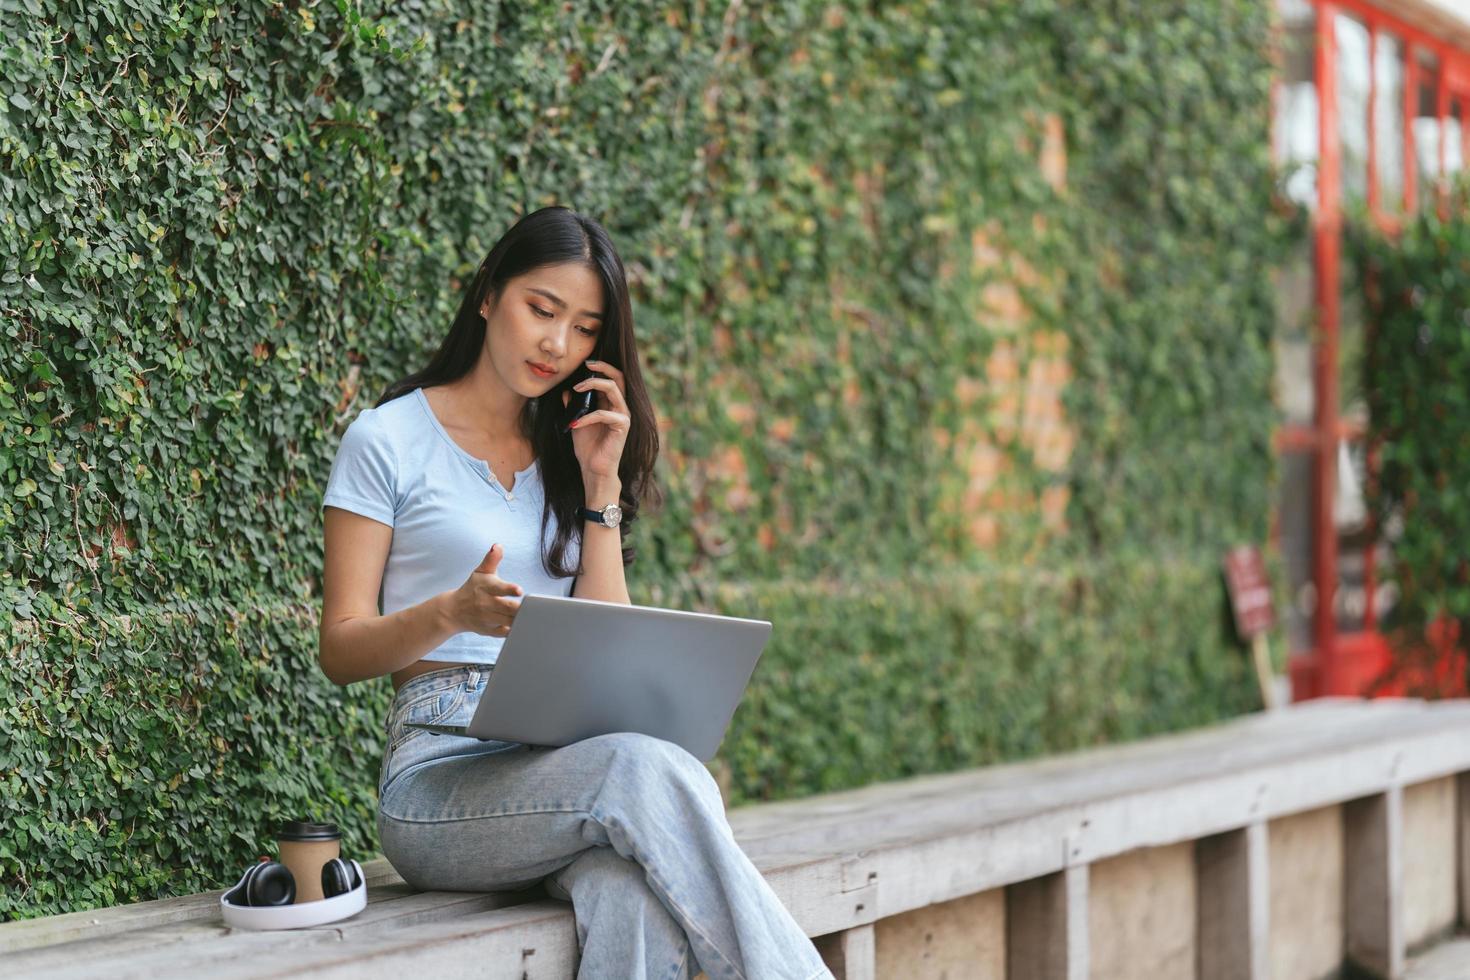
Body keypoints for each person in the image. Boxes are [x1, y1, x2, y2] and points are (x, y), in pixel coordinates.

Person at [318, 205, 833, 980]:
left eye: (586, 328)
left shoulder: (571, 456)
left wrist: (601, 484)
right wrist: (450, 613)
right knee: (645, 767)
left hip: (560, 764)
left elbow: (606, 643)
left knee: (630, 887)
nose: (558, 344)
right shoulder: (385, 440)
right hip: (437, 782)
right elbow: (339, 648)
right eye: (542, 310)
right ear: (489, 294)